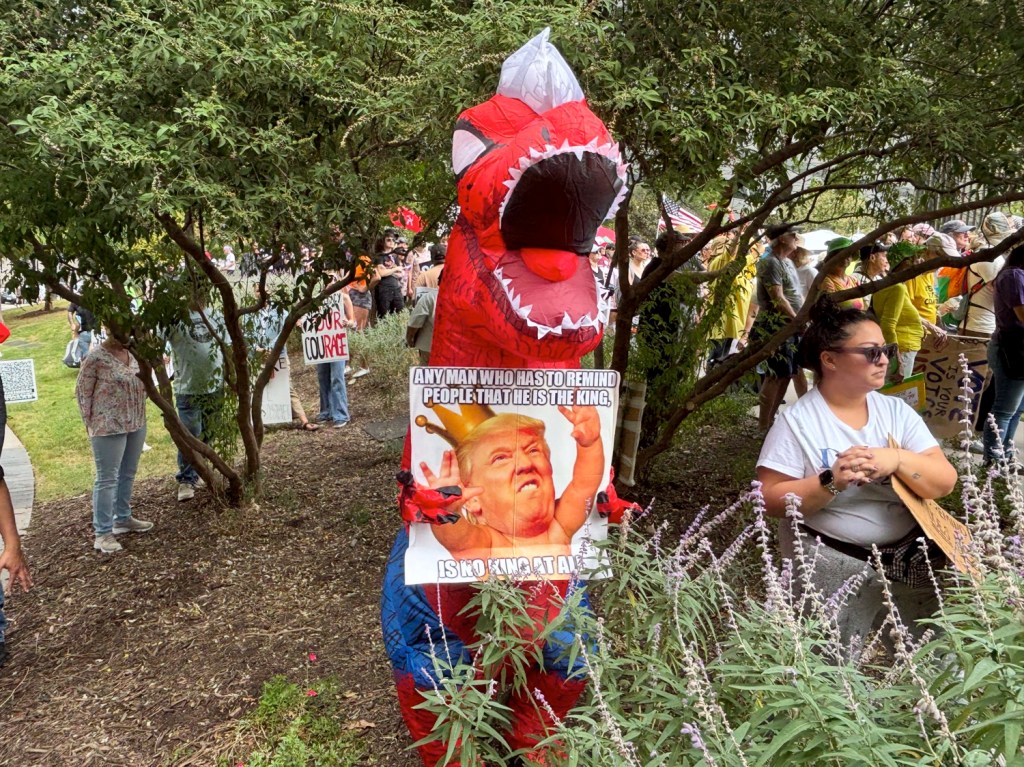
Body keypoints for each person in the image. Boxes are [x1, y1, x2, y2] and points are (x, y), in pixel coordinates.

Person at [757, 301, 957, 659]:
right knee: (830, 669)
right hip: (834, 563)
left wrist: (895, 459)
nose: (884, 359)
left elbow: (943, 481)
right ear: (829, 359)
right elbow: (769, 500)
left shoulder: (896, 412)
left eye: (887, 350)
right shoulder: (797, 422)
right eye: (871, 352)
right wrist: (831, 481)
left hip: (909, 559)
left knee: (933, 660)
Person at [417, 405, 602, 570]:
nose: (524, 463)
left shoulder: (559, 526)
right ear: (473, 499)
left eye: (533, 450)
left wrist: (590, 444)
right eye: (500, 458)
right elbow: (458, 540)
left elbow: (583, 485)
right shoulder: (489, 544)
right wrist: (445, 510)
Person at [75, 332, 154, 553]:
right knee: (107, 478)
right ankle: (103, 533)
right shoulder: (96, 357)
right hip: (107, 426)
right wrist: (89, 423)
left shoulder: (133, 353)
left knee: (128, 472)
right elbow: (82, 391)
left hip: (136, 421)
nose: (126, 334)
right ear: (109, 330)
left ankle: (123, 518)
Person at [167, 294, 226, 502]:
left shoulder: (216, 315)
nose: (199, 293)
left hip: (215, 386)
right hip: (188, 388)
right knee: (191, 434)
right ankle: (186, 479)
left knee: (209, 432)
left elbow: (226, 345)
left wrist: (230, 376)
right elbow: (157, 342)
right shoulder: (175, 318)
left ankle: (199, 471)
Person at [750, 223, 806, 430]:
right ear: (781, 238)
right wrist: (797, 319)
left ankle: (770, 420)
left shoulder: (787, 262)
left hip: (790, 325)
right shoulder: (770, 262)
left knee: (786, 375)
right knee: (774, 375)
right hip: (776, 325)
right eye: (793, 234)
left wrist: (801, 317)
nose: (796, 238)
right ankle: (763, 426)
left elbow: (795, 294)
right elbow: (777, 297)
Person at [983, 243, 1024, 464]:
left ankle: (1005, 458)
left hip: (1016, 348)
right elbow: (1021, 314)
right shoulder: (1013, 275)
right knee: (1005, 410)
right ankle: (993, 461)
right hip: (1013, 348)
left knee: (1015, 410)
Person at [872, 251, 923, 384]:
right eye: (913, 260)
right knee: (899, 394)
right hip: (903, 348)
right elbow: (887, 325)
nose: (917, 264)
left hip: (903, 346)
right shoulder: (897, 288)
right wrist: (897, 361)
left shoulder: (888, 284)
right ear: (905, 264)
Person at [317, 290, 354, 428]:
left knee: (337, 378)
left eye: (333, 277)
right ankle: (326, 412)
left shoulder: (344, 298)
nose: (330, 282)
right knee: (322, 377)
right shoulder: (318, 299)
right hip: (322, 343)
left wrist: (347, 322)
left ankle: (341, 414)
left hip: (337, 344)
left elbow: (352, 320)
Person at [818, 238, 865, 310]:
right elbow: (829, 310)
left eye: (848, 254)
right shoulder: (827, 281)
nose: (845, 258)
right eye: (841, 255)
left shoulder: (854, 280)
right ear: (831, 258)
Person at [407, 270, 441, 366]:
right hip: (456, 350)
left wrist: (409, 339)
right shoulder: (464, 297)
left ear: (438, 281)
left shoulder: (429, 297)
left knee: (428, 376)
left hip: (429, 347)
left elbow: (414, 324)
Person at [373, 230, 406, 317]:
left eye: (393, 240)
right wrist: (394, 269)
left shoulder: (394, 256)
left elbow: (400, 273)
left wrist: (390, 270)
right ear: (383, 241)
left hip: (396, 288)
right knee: (384, 316)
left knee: (400, 314)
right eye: (388, 240)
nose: (391, 242)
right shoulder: (379, 256)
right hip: (384, 289)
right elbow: (381, 273)